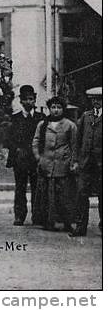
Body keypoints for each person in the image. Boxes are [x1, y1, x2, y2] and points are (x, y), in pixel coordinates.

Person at [32, 96, 78, 232]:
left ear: (63, 109)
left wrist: (73, 161)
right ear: (49, 109)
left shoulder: (70, 125)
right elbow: (36, 141)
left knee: (64, 195)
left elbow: (74, 145)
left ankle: (67, 222)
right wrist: (38, 158)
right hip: (46, 163)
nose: (56, 110)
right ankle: (48, 221)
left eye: (59, 107)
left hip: (62, 164)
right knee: (47, 194)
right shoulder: (42, 124)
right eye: (53, 107)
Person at [6, 85, 45, 225]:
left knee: (37, 187)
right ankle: (19, 216)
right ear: (21, 101)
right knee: (20, 187)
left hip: (35, 158)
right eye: (26, 99)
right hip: (20, 159)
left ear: (35, 100)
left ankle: (38, 215)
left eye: (32, 99)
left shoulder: (41, 118)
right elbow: (8, 139)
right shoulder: (14, 118)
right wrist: (16, 150)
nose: (29, 102)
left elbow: (44, 138)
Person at [71, 87, 102, 237]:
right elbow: (77, 140)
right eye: (94, 99)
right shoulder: (86, 116)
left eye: (100, 99)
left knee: (104, 194)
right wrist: (75, 160)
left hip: (102, 164)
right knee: (81, 193)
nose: (97, 102)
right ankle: (80, 226)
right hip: (86, 163)